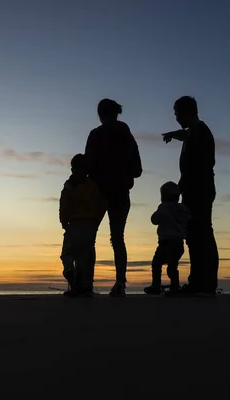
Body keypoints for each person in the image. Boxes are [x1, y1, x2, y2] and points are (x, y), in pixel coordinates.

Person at [161, 96, 219, 296]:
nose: (176, 117)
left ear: (187, 112)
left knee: (200, 234)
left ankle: (203, 283)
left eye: (177, 113)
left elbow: (198, 165)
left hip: (199, 191)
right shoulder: (196, 132)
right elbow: (186, 134)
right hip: (195, 189)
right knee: (196, 235)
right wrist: (175, 134)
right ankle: (201, 282)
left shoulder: (200, 133)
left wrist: (183, 184)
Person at [84, 98, 143, 297]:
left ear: (101, 114)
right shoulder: (126, 136)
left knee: (90, 236)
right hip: (119, 193)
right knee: (117, 238)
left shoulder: (95, 135)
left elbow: (88, 167)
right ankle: (119, 283)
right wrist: (124, 174)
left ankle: (86, 282)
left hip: (100, 193)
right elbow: (138, 169)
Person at [59, 153, 107, 297]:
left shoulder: (69, 186)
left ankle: (69, 271)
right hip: (89, 225)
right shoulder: (93, 186)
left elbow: (63, 204)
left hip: (73, 224)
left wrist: (63, 221)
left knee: (67, 253)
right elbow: (101, 204)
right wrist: (96, 222)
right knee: (84, 257)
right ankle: (84, 286)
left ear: (73, 169)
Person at [144, 181, 191, 296]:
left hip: (166, 243)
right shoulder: (182, 208)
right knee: (172, 267)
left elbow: (154, 220)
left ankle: (156, 286)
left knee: (156, 264)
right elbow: (188, 219)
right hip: (179, 244)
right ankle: (175, 287)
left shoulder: (163, 207)